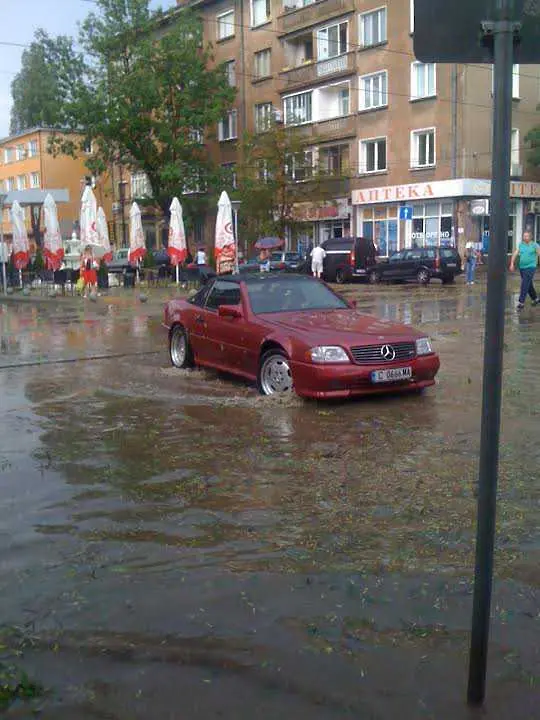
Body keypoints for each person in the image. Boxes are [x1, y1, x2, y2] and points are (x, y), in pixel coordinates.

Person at [510, 229, 540, 310]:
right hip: (522, 268)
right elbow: (515, 253)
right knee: (528, 284)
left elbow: (539, 253)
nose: (524, 237)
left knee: (524, 283)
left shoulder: (535, 245)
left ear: (530, 237)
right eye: (524, 236)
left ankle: (521, 302)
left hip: (531, 267)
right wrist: (512, 263)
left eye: (526, 236)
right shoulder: (521, 244)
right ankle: (535, 299)